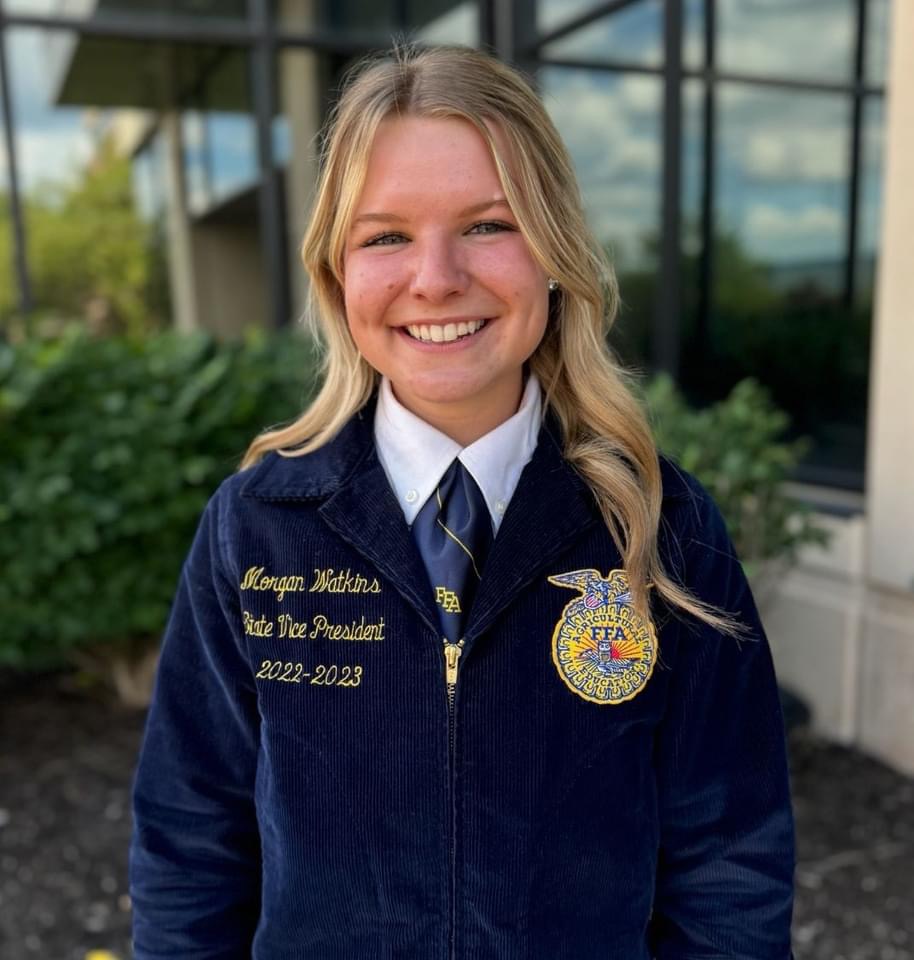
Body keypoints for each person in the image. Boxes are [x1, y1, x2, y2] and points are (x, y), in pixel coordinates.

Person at [129, 44, 795, 959]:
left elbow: (730, 855)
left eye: (489, 224)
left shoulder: (662, 528)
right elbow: (188, 841)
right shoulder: (256, 530)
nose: (435, 278)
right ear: (337, 274)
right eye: (386, 235)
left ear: (555, 249)